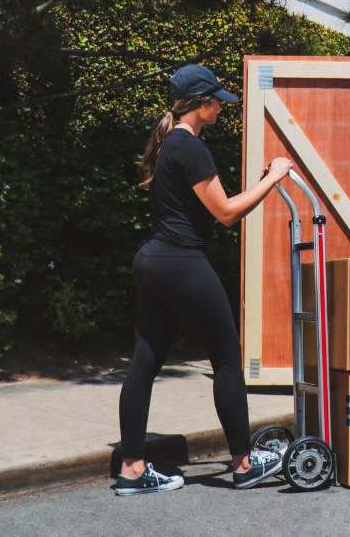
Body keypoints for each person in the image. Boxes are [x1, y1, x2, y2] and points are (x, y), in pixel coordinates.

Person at [115, 63, 292, 495]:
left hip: (154, 259)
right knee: (228, 360)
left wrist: (261, 180)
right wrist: (273, 177)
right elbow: (227, 213)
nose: (221, 107)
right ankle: (244, 465)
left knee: (144, 364)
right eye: (216, 100)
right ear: (200, 103)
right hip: (180, 261)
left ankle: (132, 470)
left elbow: (211, 203)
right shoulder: (191, 147)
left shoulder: (170, 143)